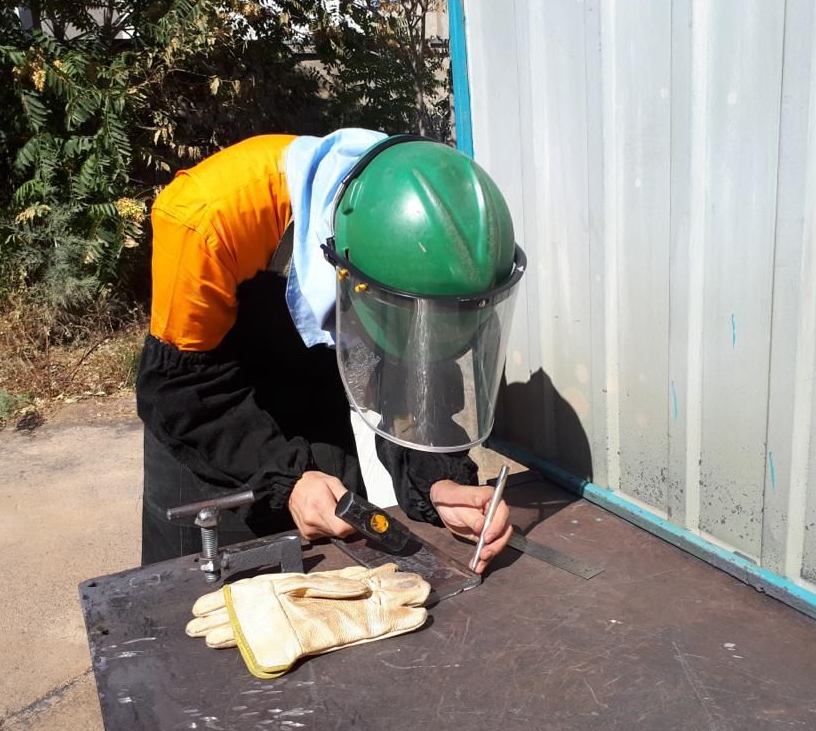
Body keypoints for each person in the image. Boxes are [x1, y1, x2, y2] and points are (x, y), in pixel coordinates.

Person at [135, 129, 527, 572]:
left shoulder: (423, 229)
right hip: (213, 428)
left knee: (349, 584)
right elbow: (183, 386)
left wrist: (439, 482)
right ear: (347, 268)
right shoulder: (207, 216)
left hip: (317, 403)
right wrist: (289, 479)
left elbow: (413, 377)